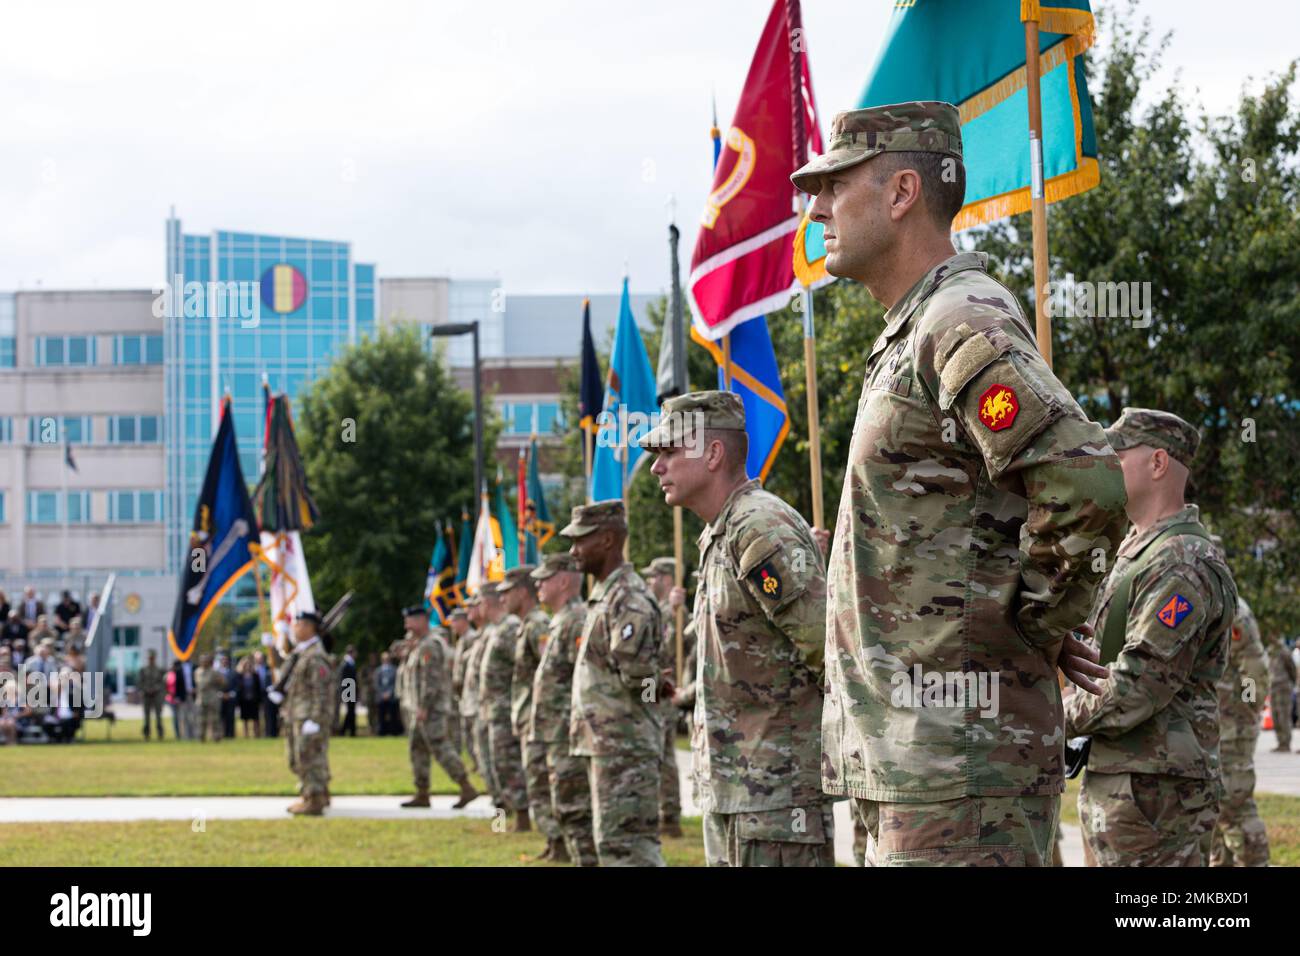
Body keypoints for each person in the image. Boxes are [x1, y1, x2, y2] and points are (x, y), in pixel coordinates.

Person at [791, 101, 1127, 866]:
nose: (816, 211)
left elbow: (1083, 480)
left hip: (958, 770)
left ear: (902, 191)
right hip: (920, 766)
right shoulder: (913, 330)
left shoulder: (957, 320)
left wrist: (1030, 623)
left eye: (834, 186)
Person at [642, 390, 835, 866]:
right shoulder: (722, 532)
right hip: (738, 793)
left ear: (713, 453)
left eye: (669, 451)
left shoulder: (759, 528)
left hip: (776, 798)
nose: (655, 467)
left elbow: (830, 653)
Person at [1066, 408, 1237, 866]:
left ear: (1158, 463)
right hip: (1129, 787)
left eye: (1117, 456)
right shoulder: (1139, 549)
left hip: (1158, 798)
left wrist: (1052, 717)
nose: (1106, 466)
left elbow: (1137, 684)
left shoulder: (1181, 561)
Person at [565, 500, 665, 867]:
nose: (573, 550)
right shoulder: (607, 595)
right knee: (615, 848)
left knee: (630, 852)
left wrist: (657, 696)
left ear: (606, 540)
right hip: (609, 746)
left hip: (626, 747)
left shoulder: (628, 598)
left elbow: (638, 676)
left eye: (581, 540)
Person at [528, 553, 598, 866]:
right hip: (556, 733)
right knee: (566, 807)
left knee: (576, 809)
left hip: (570, 734)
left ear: (564, 581)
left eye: (544, 579)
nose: (538, 585)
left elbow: (584, 680)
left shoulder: (577, 621)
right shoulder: (561, 621)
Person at [501, 565, 562, 855]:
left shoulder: (537, 624)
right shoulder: (527, 624)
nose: (503, 599)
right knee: (536, 782)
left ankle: (559, 842)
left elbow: (548, 672)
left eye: (507, 592)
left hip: (541, 718)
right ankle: (553, 842)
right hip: (529, 716)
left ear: (522, 593)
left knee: (542, 782)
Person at [398, 605, 479, 809]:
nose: (407, 624)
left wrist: (424, 706)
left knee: (441, 748)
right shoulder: (419, 645)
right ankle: (422, 792)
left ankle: (466, 786)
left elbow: (431, 680)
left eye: (410, 619)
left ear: (422, 621)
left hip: (430, 709)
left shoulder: (430, 646)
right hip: (419, 708)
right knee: (417, 750)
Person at [1210, 594, 1271, 867]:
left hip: (1231, 727)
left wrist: (1245, 713)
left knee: (1235, 805)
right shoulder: (1210, 596)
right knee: (1213, 807)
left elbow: (1254, 668)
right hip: (1214, 725)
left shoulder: (1230, 606)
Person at [477, 582, 530, 829]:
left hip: (505, 709)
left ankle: (522, 818)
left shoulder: (509, 629)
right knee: (495, 766)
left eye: (479, 602)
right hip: (493, 710)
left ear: (487, 603)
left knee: (508, 764)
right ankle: (503, 819)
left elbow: (524, 667)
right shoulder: (496, 629)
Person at [270, 610, 333, 815]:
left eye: (298, 624)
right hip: (297, 713)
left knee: (308, 758)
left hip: (308, 716)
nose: (294, 628)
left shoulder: (315, 655)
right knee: (299, 758)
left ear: (309, 627)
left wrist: (314, 718)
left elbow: (321, 690)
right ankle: (315, 794)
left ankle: (313, 799)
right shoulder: (301, 653)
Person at [639, 555, 684, 839]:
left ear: (667, 579)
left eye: (654, 576)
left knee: (663, 757)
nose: (649, 581)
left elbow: (672, 647)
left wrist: (674, 609)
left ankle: (669, 815)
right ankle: (658, 812)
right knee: (655, 755)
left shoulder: (675, 612)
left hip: (665, 693)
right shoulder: (656, 609)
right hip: (651, 691)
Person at [460, 597, 490, 777]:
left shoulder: (484, 634)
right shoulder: (479, 635)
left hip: (484, 704)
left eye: (474, 605)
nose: (470, 610)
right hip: (472, 700)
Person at [1268, 633, 1295, 752]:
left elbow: (1292, 668)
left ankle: (1286, 743)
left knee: (1284, 715)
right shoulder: (1270, 651)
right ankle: (1280, 742)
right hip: (1272, 687)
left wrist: (1291, 682)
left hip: (1283, 687)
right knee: (1275, 716)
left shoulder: (1284, 651)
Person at [194, 653, 225, 742]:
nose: (204, 662)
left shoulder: (214, 672)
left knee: (215, 719)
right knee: (201, 719)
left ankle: (216, 736)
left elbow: (223, 683)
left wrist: (218, 683)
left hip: (212, 698)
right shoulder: (197, 671)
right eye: (202, 661)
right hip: (201, 698)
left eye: (206, 661)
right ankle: (201, 737)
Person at [138, 649, 167, 740]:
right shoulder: (143, 670)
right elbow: (140, 683)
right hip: (146, 696)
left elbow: (162, 683)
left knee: (158, 716)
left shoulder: (159, 670)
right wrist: (146, 689)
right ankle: (146, 734)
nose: (151, 659)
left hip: (156, 695)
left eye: (152, 658)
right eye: (149, 658)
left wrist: (155, 689)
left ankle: (160, 734)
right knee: (146, 717)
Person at [236, 656, 263, 738]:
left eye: (249, 664)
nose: (247, 666)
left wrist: (260, 700)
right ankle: (246, 735)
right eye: (245, 664)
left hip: (254, 699)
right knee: (245, 719)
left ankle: (257, 734)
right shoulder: (240, 676)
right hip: (243, 700)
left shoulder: (255, 675)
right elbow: (238, 688)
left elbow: (258, 688)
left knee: (255, 718)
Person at [254, 651, 278, 738]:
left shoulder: (268, 668)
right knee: (258, 716)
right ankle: (258, 734)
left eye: (260, 658)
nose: (259, 660)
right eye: (257, 658)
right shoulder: (253, 669)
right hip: (256, 694)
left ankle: (270, 732)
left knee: (269, 714)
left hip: (268, 693)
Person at [374, 651, 399, 736]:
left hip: (391, 697)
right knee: (381, 716)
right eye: (384, 659)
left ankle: (393, 732)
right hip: (381, 697)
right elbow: (376, 684)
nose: (386, 660)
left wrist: (389, 693)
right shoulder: (378, 671)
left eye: (387, 659)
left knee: (393, 715)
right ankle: (382, 731)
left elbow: (395, 683)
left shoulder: (394, 670)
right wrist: (382, 694)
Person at [337, 645, 358, 736]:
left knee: (351, 711)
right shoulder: (346, 663)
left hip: (350, 689)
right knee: (350, 711)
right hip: (349, 690)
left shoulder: (349, 662)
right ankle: (348, 731)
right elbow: (345, 679)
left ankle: (347, 731)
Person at [217, 653, 237, 740]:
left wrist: (231, 694)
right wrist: (221, 694)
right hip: (220, 698)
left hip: (230, 697)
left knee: (230, 717)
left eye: (226, 660)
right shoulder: (216, 673)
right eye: (223, 660)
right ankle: (221, 734)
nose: (224, 662)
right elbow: (214, 685)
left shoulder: (233, 672)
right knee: (221, 717)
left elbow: (237, 685)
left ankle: (230, 735)